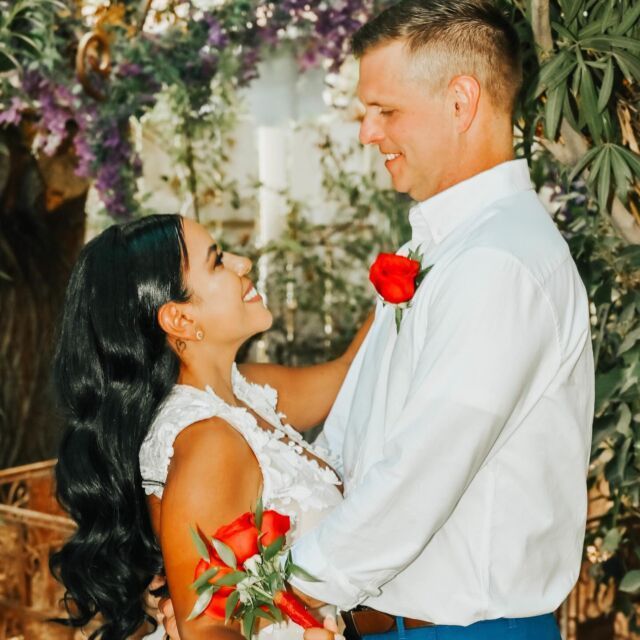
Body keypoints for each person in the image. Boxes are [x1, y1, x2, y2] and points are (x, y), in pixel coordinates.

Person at [50, 213, 371, 640]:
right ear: (180, 320)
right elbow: (207, 626)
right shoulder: (207, 441)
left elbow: (351, 371)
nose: (244, 264)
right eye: (218, 261)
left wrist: (419, 265)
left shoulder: (249, 390)